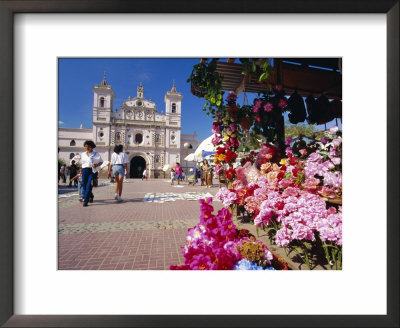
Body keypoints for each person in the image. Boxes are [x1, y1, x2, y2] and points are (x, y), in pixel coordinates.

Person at [81, 140, 103, 207]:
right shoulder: (83, 154)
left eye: (88, 146)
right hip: (84, 170)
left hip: (92, 171)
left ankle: (85, 201)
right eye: (86, 146)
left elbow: (101, 162)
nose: (87, 148)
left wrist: (96, 165)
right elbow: (82, 163)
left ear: (92, 147)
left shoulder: (96, 154)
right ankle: (91, 195)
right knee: (84, 185)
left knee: (89, 185)